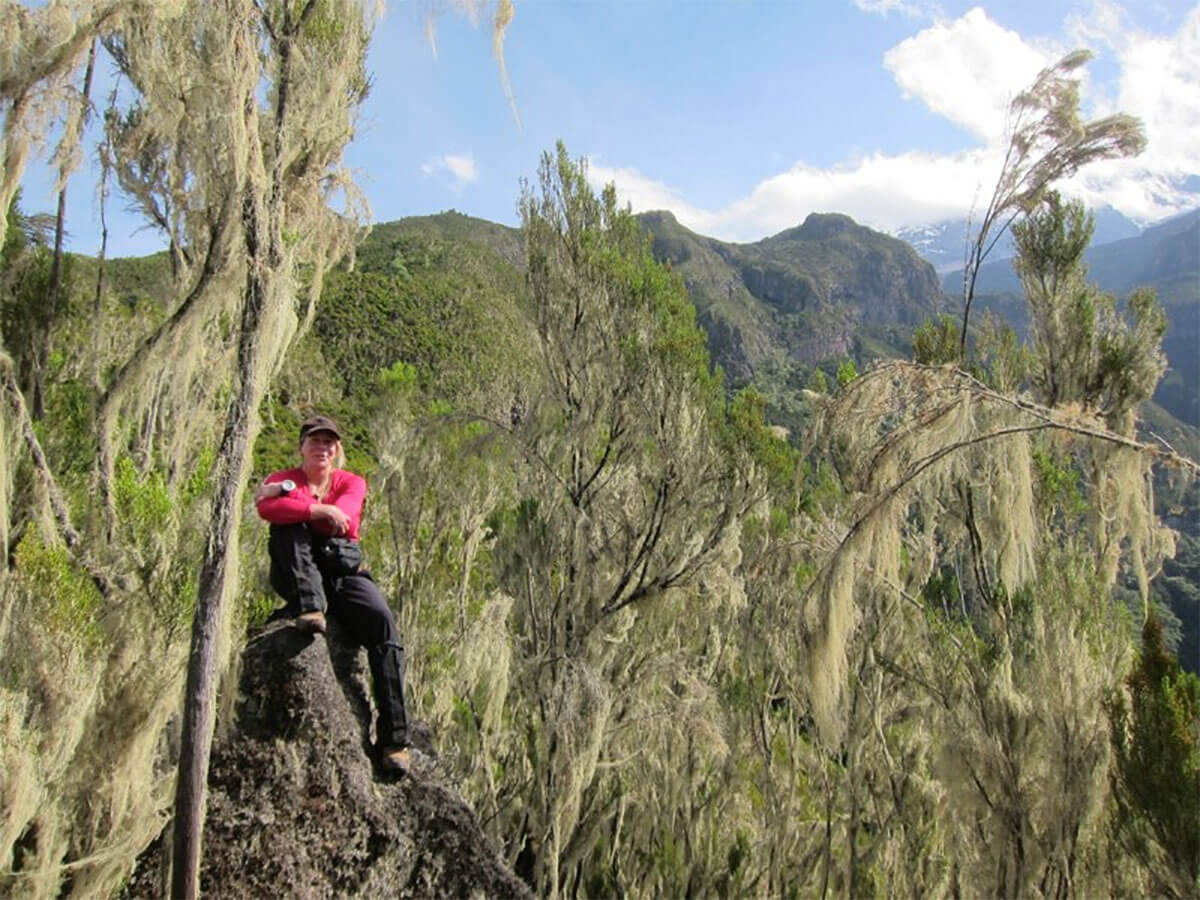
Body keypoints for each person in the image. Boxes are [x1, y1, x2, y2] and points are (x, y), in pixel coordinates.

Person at [255, 415, 411, 775]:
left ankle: (395, 741)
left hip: (342, 573)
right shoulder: (285, 477)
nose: (322, 447)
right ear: (302, 448)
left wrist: (298, 504)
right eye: (314, 441)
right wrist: (317, 509)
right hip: (297, 574)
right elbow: (266, 509)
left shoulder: (351, 482)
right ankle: (311, 608)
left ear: (337, 449)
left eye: (329, 442)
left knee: (383, 625)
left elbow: (347, 520)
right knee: (287, 532)